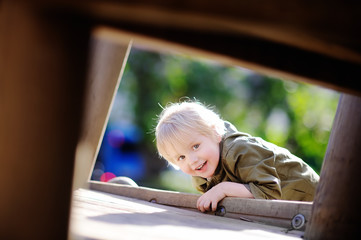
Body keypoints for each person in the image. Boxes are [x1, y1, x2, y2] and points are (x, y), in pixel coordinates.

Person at [155, 100, 320, 213]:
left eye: (196, 146)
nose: (192, 160)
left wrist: (223, 189)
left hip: (315, 201)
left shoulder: (240, 150)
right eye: (181, 157)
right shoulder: (201, 174)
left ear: (215, 133)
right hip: (286, 211)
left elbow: (269, 193)